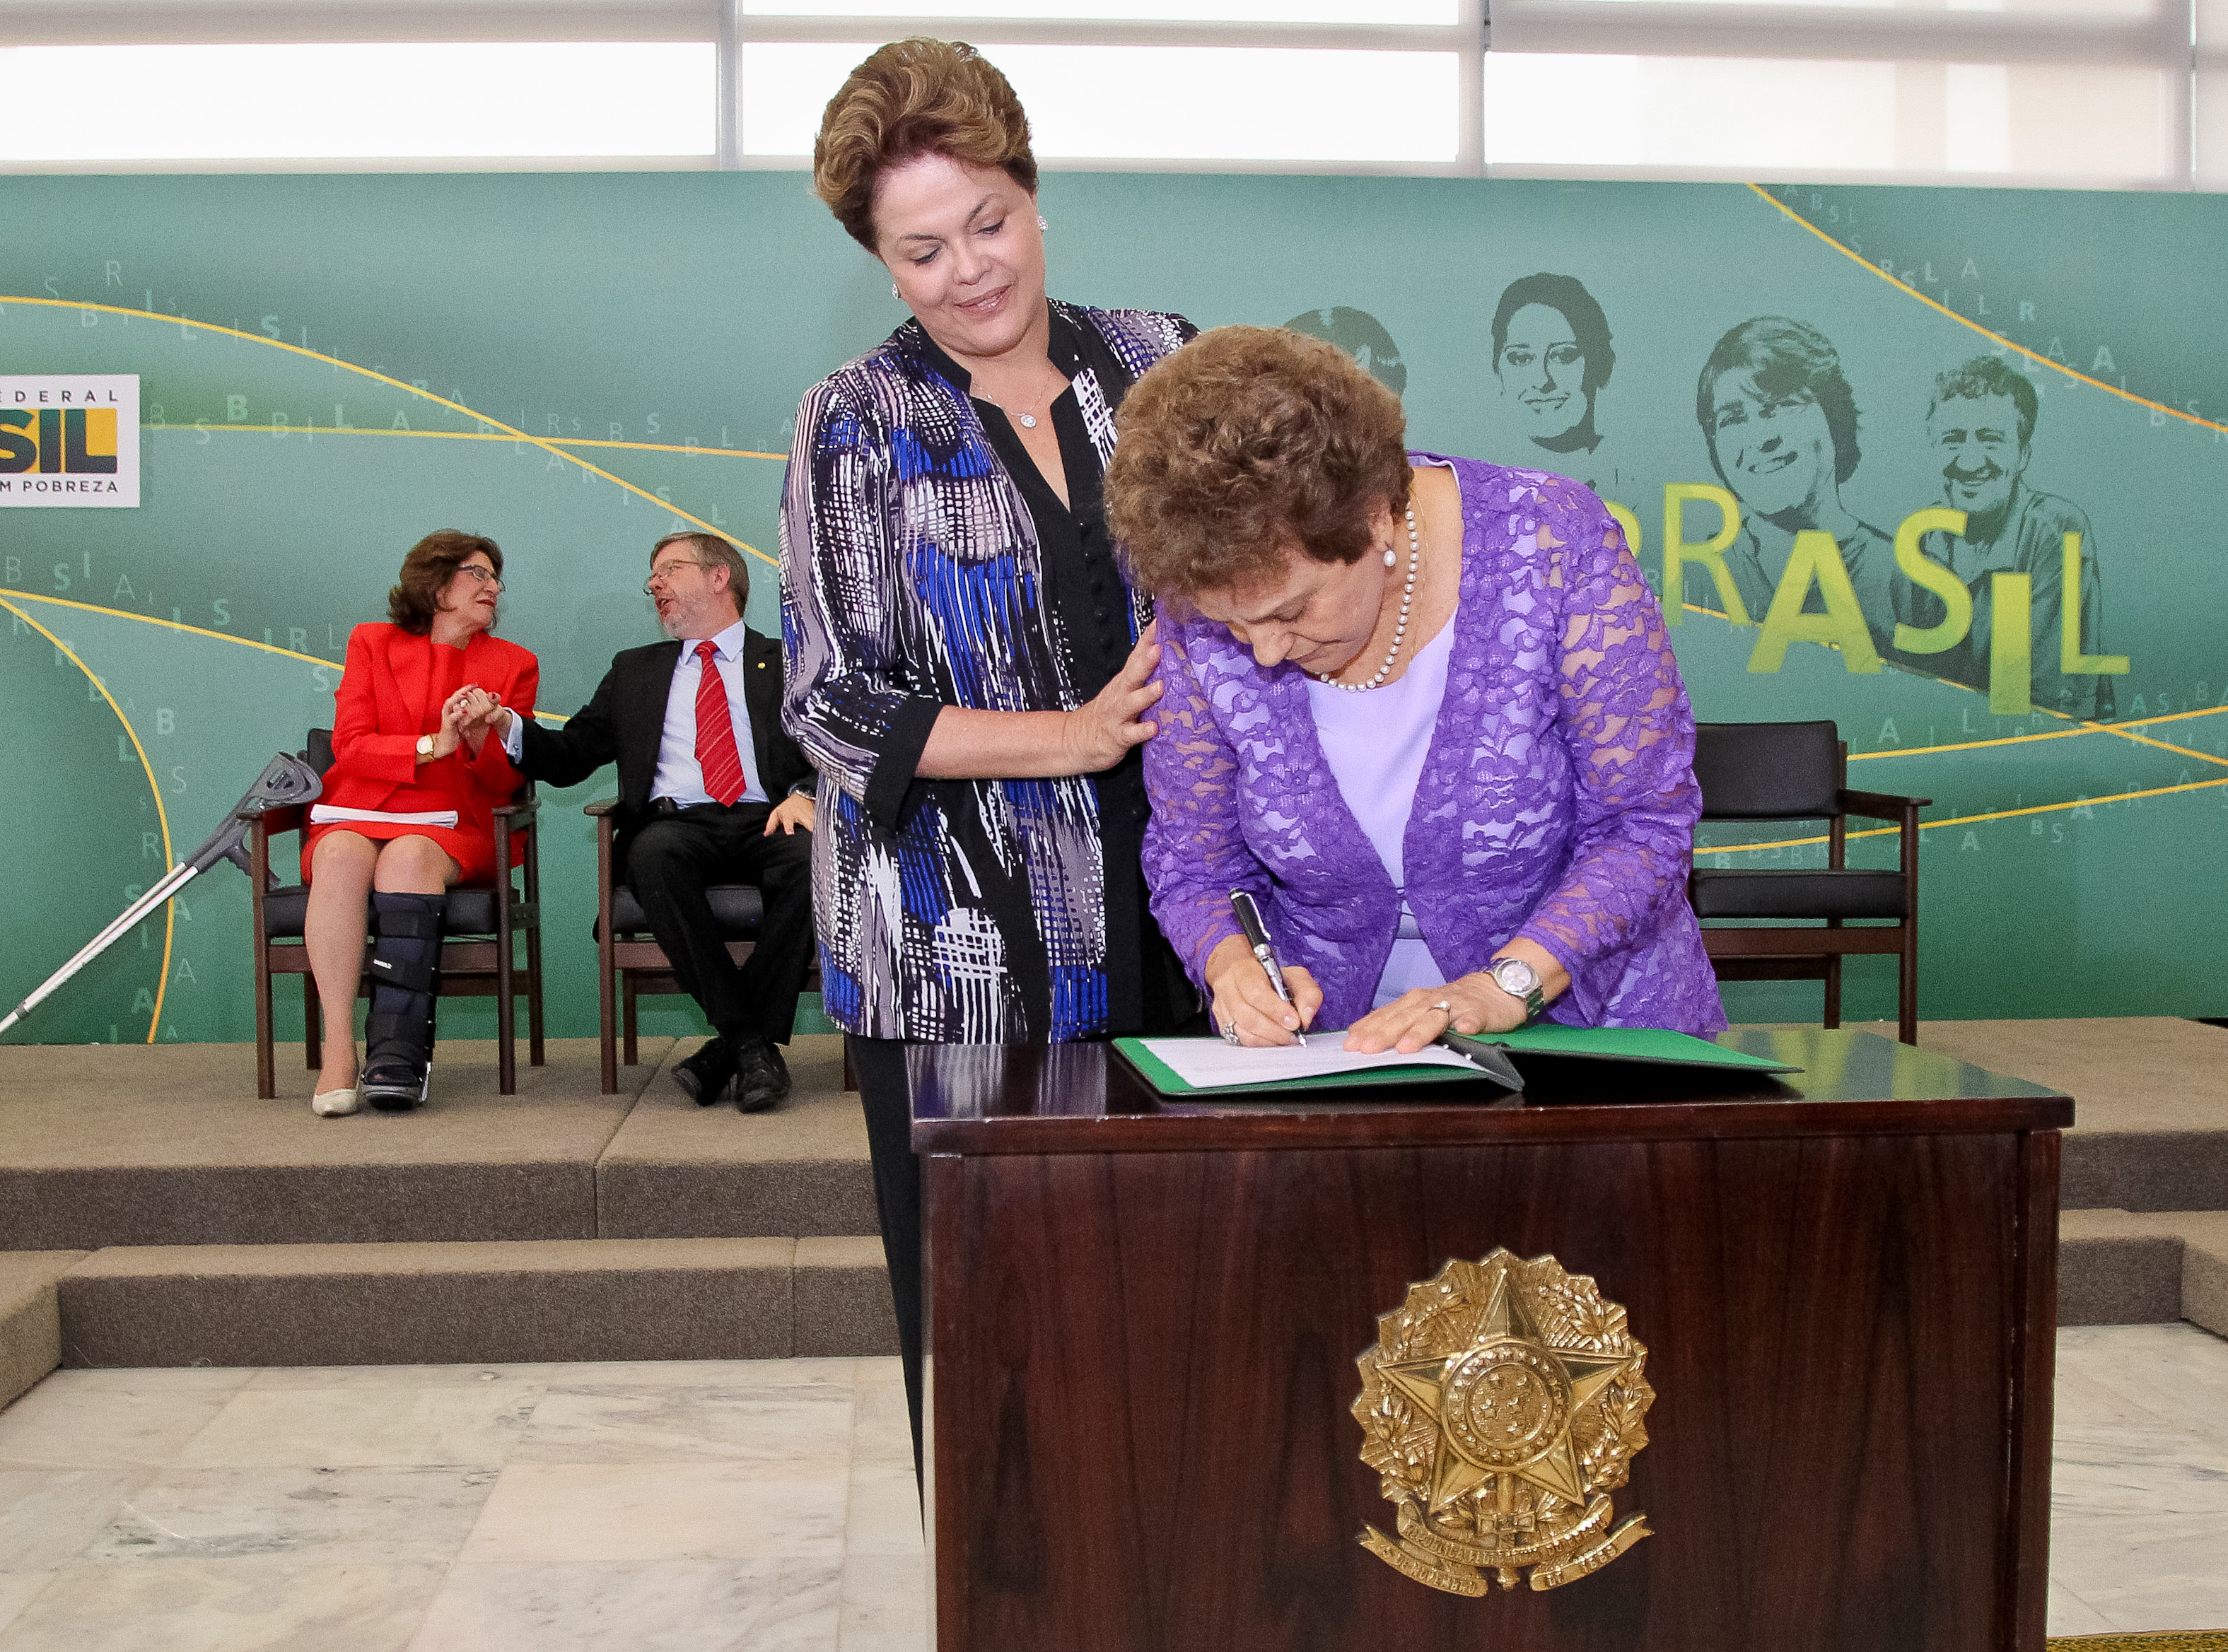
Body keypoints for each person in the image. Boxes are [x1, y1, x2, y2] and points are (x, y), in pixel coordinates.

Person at [778, 37, 1201, 1465]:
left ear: (1032, 191)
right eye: (920, 250)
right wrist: (1070, 736)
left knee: (1192, 1310)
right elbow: (835, 704)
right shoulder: (856, 417)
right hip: (966, 940)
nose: (968, 270)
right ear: (878, 264)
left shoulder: (1163, 357)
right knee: (998, 1368)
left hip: (1195, 911)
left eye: (988, 222)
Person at [1109, 326, 1724, 1053]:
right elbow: (1196, 866)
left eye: (1290, 610)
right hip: (1339, 1065)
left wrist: (1506, 986)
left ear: (1374, 518)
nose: (1265, 650)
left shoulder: (1554, 541)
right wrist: (1231, 964)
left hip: (1589, 1044)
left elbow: (1641, 825)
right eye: (1233, 627)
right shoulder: (1201, 607)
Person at [465, 530, 817, 1114]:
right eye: (651, 575)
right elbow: (572, 753)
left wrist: (806, 791)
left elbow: (837, 746)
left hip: (770, 817)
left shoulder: (789, 662)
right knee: (651, 853)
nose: (654, 584)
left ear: (718, 578)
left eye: (669, 569)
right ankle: (749, 1044)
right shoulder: (635, 671)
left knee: (814, 858)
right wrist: (507, 725)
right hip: (677, 826)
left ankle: (727, 1050)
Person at [302, 530, 537, 1117]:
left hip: (455, 824)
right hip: (362, 809)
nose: (493, 587)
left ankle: (396, 1052)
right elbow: (349, 745)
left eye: (495, 578)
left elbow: (507, 782)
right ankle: (339, 1048)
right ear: (436, 587)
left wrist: (484, 734)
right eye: (477, 574)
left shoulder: (513, 664)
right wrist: (438, 742)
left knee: (406, 855)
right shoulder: (371, 643)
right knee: (338, 855)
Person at [1906, 356, 2114, 720]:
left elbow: (2041, 702)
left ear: (2023, 455)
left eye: (1990, 440)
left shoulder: (2057, 528)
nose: (1969, 462)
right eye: (1953, 440)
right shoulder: (1925, 536)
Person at [1692, 316, 1898, 641]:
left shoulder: (1902, 579)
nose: (1760, 439)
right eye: (1733, 418)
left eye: (1782, 405)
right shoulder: (1698, 569)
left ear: (1834, 418)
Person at [1491, 273, 1617, 493]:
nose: (1542, 381)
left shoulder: (1632, 480)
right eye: (1521, 358)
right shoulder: (1468, 489)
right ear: (1498, 369)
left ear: (1599, 364)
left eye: (1564, 356)